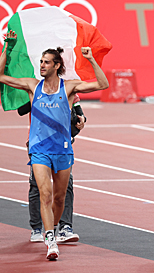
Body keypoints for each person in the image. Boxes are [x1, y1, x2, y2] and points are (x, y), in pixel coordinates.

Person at [0, 30, 109, 260]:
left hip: (63, 150)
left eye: (46, 62)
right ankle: (50, 240)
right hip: (39, 150)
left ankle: (55, 230)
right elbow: (0, 76)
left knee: (59, 198)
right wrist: (7, 49)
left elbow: (103, 83)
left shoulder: (68, 88)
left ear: (57, 66)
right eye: (40, 61)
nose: (41, 65)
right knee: (45, 194)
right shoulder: (32, 86)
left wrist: (90, 59)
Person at [24, 95, 86, 243]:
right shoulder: (36, 88)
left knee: (65, 188)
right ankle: (37, 228)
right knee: (36, 187)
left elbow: (79, 111)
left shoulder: (66, 88)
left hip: (61, 144)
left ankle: (64, 228)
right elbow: (22, 109)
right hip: (39, 143)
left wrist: (81, 119)